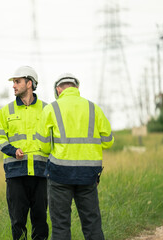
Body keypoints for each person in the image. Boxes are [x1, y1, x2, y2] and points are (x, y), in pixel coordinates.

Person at [35, 73, 114, 240]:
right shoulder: (93, 108)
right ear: (76, 88)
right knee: (92, 223)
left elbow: (42, 146)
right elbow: (108, 141)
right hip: (88, 175)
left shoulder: (51, 109)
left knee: (61, 225)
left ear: (58, 90)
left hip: (59, 175)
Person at [0, 66, 49, 240]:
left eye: (17, 82)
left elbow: (54, 138)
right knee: (18, 220)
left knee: (40, 219)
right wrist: (11, 151)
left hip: (41, 173)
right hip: (16, 173)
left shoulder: (47, 110)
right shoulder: (6, 111)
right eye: (14, 82)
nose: (14, 86)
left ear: (29, 83)